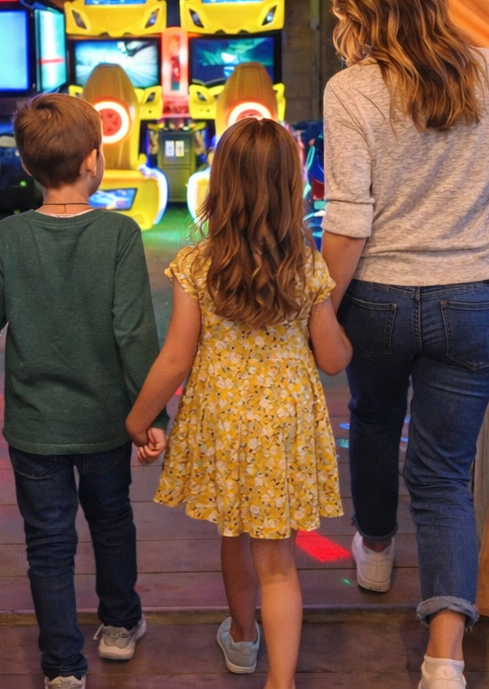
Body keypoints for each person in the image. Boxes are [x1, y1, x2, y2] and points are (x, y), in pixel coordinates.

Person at [318, 0, 489, 689]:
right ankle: (444, 658)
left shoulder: (353, 91)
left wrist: (321, 313)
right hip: (472, 298)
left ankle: (375, 551)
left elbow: (348, 223)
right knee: (443, 475)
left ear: (359, 4)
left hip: (378, 299)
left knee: (373, 422)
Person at [125, 118, 351, 689]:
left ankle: (244, 639)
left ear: (219, 184)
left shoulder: (197, 264)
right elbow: (332, 359)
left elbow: (175, 358)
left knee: (234, 532)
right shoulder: (306, 263)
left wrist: (137, 417)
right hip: (284, 421)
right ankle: (282, 679)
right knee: (277, 560)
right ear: (290, 187)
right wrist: (344, 328)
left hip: (223, 420)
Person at [0, 94, 162, 689]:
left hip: (36, 429)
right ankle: (119, 626)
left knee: (48, 543)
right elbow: (135, 337)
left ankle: (63, 668)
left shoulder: (11, 238)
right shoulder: (119, 234)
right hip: (105, 423)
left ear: (28, 165)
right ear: (94, 160)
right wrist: (152, 416)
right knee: (113, 520)